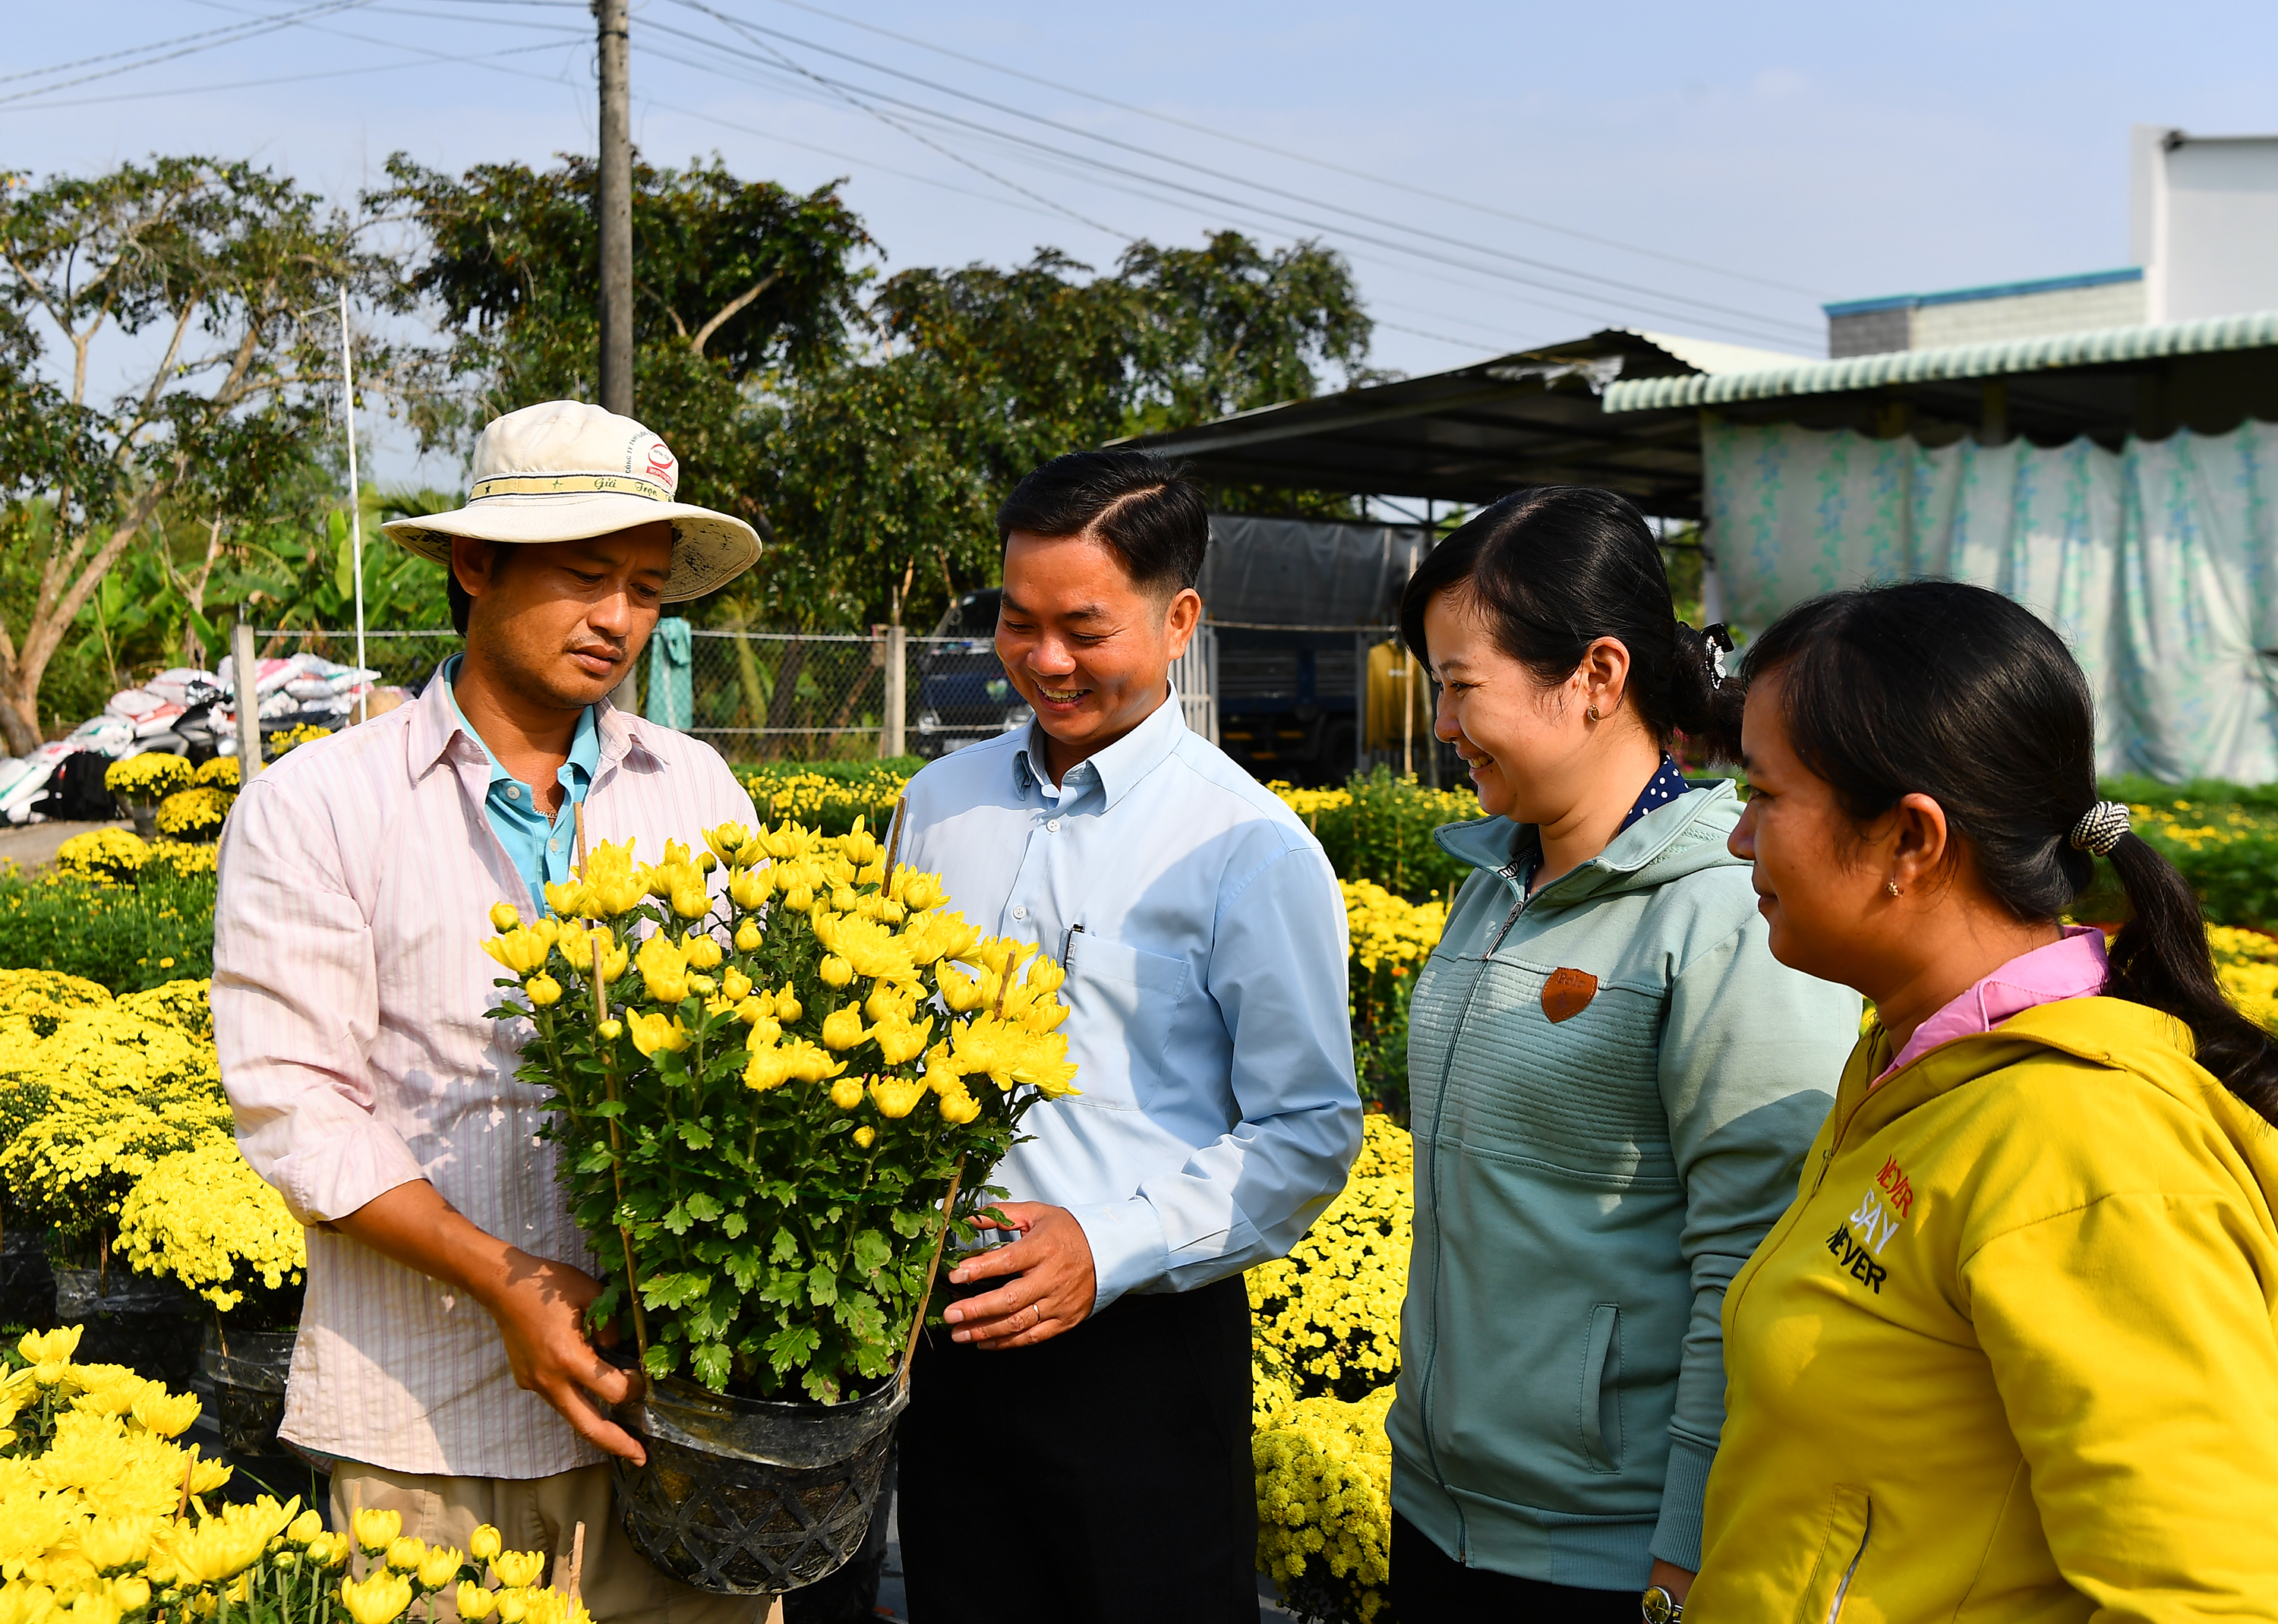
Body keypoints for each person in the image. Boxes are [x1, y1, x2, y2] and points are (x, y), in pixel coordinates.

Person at [213, 400, 766, 1623]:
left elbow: (751, 1063)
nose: (619, 620)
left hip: (675, 1424)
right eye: (584, 576)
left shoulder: (697, 792)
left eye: (644, 585)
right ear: (475, 564)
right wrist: (508, 1280)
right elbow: (296, 1104)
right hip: (425, 1426)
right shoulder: (319, 806)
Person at [1688, 581, 2278, 1623]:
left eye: (1765, 798)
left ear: (1911, 839)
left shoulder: (2088, 1151)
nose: (1740, 843)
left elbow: (2206, 1597)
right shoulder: (1913, 1064)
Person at [891, 450, 1364, 1623]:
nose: (1045, 661)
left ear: (1178, 621)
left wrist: (1107, 1247)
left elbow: (1309, 1130)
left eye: (1084, 629)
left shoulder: (1246, 847)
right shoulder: (939, 804)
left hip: (1139, 1360)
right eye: (1018, 622)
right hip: (945, 1344)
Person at [1388, 487, 1861, 1622]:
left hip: (1606, 1552)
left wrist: (1689, 1544)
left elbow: (1747, 1260)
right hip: (1436, 1510)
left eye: (1460, 688)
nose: (1442, 727)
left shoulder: (1729, 916)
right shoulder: (1495, 881)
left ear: (1598, 676)